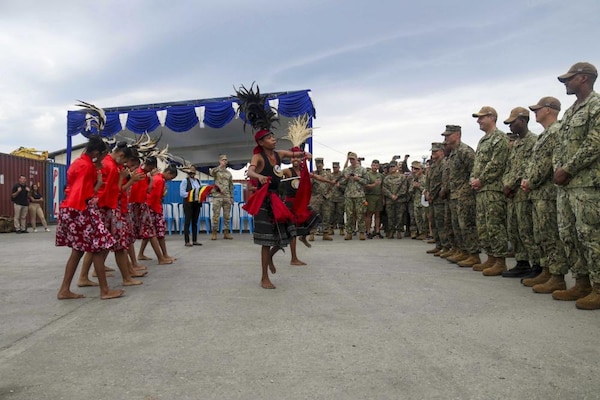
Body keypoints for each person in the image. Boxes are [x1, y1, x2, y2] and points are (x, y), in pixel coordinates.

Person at [552, 62, 600, 309]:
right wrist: (558, 171)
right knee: (568, 235)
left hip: (587, 186)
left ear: (583, 78)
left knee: (590, 236)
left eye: (569, 79)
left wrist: (567, 169)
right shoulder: (570, 112)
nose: (565, 83)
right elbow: (560, 146)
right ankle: (581, 283)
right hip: (566, 187)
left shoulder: (596, 105)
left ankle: (598, 287)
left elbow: (595, 143)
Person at [56, 135, 124, 300]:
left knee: (78, 251)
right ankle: (105, 291)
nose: (103, 157)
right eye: (102, 154)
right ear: (96, 152)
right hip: (80, 209)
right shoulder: (87, 167)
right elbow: (82, 193)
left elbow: (76, 189)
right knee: (98, 248)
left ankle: (64, 290)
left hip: (71, 209)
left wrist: (98, 181)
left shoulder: (80, 163)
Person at [77, 142, 144, 288]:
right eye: (126, 161)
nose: (126, 165)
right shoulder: (110, 165)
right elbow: (115, 191)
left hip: (107, 208)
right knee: (118, 245)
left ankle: (84, 276)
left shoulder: (110, 164)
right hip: (107, 208)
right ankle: (126, 278)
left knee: (102, 246)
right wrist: (130, 181)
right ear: (120, 154)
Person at [519, 97, 569, 291]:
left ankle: (557, 276)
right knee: (541, 234)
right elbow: (534, 163)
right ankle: (547, 271)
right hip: (537, 193)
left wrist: (530, 181)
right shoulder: (544, 134)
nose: (535, 112)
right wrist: (527, 180)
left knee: (550, 235)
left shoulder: (555, 131)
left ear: (549, 110)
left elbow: (547, 164)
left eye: (538, 109)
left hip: (546, 193)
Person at [470, 106, 509, 276]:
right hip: (481, 190)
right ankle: (491, 257)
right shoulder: (483, 140)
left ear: (491, 117)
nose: (478, 121)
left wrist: (481, 180)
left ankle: (500, 261)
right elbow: (477, 164)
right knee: (483, 225)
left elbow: (497, 164)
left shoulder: (499, 138)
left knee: (495, 225)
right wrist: (473, 179)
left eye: (481, 117)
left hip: (493, 189)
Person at [501, 107, 539, 278]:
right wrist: (506, 185)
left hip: (524, 193)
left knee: (526, 229)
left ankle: (537, 265)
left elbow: (527, 167)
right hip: (512, 195)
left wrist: (511, 184)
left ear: (523, 121)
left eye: (512, 123)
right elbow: (509, 167)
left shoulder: (533, 141)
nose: (510, 126)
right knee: (514, 229)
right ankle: (522, 262)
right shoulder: (515, 144)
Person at [440, 125, 479, 267]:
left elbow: (474, 171)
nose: (445, 139)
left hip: (465, 195)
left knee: (467, 225)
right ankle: (463, 250)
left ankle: (473, 254)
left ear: (457, 135)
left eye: (448, 136)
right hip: (454, 195)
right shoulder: (453, 154)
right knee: (456, 225)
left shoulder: (465, 151)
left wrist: (468, 191)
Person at [282, 154, 318, 265]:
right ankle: (294, 258)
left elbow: (316, 177)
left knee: (315, 218)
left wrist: (331, 182)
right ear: (290, 160)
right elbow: (276, 173)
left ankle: (303, 237)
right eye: (293, 158)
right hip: (290, 204)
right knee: (293, 232)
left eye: (298, 157)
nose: (295, 159)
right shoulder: (288, 171)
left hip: (301, 203)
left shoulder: (304, 172)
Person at [339, 152, 368, 240]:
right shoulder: (346, 170)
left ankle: (362, 232)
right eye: (350, 159)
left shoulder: (362, 170)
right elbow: (340, 182)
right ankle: (349, 232)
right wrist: (346, 178)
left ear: (356, 159)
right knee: (349, 214)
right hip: (348, 195)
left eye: (353, 159)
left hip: (359, 195)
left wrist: (358, 178)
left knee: (360, 214)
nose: (352, 161)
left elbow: (367, 181)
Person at [424, 143, 446, 254]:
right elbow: (428, 182)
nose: (433, 154)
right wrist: (427, 192)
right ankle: (438, 244)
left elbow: (442, 182)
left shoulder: (444, 164)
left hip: (439, 199)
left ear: (441, 151)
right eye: (432, 152)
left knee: (441, 223)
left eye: (435, 151)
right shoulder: (433, 166)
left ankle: (445, 246)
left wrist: (432, 194)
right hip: (432, 199)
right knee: (434, 223)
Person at [308, 157, 334, 241]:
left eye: (320, 165)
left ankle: (325, 233)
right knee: (314, 216)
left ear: (323, 165)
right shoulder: (313, 174)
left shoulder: (328, 174)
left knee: (326, 215)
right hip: (316, 198)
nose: (319, 166)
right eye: (317, 165)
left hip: (326, 198)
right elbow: (309, 186)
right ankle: (312, 233)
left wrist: (329, 192)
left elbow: (333, 184)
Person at [210, 154, 234, 240]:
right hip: (217, 196)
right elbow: (211, 173)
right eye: (223, 160)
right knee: (216, 215)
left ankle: (226, 233)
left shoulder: (228, 173)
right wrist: (219, 166)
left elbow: (231, 185)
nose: (225, 161)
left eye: (226, 160)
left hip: (226, 196)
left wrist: (231, 197)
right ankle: (214, 233)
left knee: (227, 216)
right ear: (220, 161)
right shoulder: (216, 171)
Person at [180, 165, 202, 246]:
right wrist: (191, 194)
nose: (192, 173)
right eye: (191, 172)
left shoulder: (198, 181)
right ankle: (187, 241)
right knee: (187, 221)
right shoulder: (185, 181)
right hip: (188, 203)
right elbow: (182, 193)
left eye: (194, 171)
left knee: (195, 222)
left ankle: (195, 240)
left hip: (197, 203)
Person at [365, 159, 384, 238]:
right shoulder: (367, 174)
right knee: (369, 214)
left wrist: (383, 198)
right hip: (370, 196)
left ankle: (377, 231)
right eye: (373, 165)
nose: (375, 167)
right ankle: (368, 231)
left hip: (378, 196)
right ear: (371, 166)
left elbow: (382, 187)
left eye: (376, 165)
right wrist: (374, 184)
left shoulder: (380, 175)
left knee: (377, 214)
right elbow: (365, 185)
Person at [330, 161, 346, 235]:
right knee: (331, 214)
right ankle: (331, 228)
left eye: (336, 167)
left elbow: (345, 187)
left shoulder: (342, 176)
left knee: (340, 214)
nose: (334, 169)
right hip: (331, 198)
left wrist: (340, 187)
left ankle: (341, 228)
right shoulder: (330, 175)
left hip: (340, 198)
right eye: (333, 167)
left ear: (339, 167)